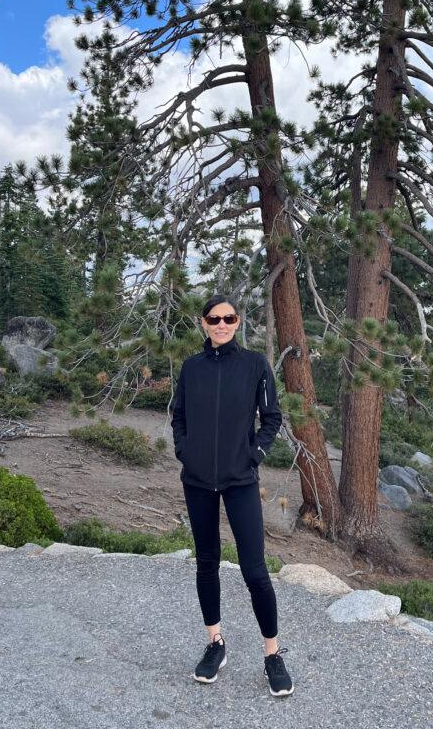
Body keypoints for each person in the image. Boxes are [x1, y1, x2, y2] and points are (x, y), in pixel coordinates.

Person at [171, 293, 294, 697]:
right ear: (203, 323)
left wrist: (254, 454)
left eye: (229, 318)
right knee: (206, 563)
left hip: (240, 481)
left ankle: (272, 655)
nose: (222, 324)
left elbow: (271, 416)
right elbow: (180, 417)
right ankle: (215, 644)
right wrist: (184, 452)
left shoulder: (255, 365)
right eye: (214, 318)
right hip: (199, 481)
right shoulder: (191, 368)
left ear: (238, 322)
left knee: (254, 570)